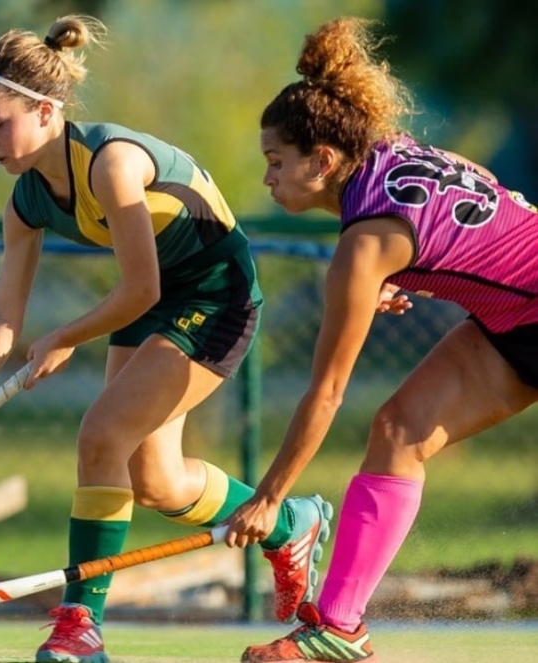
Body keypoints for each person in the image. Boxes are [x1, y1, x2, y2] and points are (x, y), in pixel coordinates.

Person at [0, 14, 334, 663]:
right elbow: (0, 318)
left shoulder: (110, 164)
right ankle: (290, 523)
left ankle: (80, 624)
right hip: (154, 297)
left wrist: (64, 336)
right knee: (157, 481)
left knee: (100, 432)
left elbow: (137, 289)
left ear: (46, 111)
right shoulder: (26, 202)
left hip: (213, 294)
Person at [226, 16, 538, 663]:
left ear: (323, 160)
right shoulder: (390, 153)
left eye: (276, 162)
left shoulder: (363, 244)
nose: (268, 179)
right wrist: (408, 273)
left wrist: (269, 497)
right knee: (398, 429)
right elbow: (467, 226)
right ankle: (338, 627)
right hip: (513, 322)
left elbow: (326, 391)